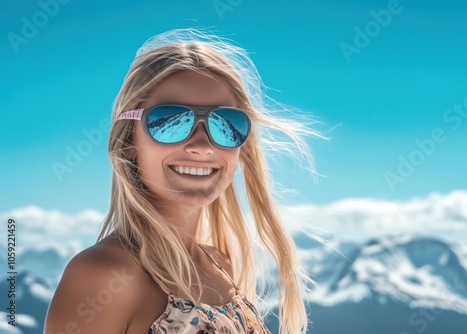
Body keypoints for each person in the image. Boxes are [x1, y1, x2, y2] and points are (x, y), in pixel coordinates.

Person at [45, 28, 316, 334]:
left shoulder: (220, 265)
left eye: (226, 124)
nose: (202, 146)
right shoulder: (102, 276)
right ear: (128, 142)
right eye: (170, 121)